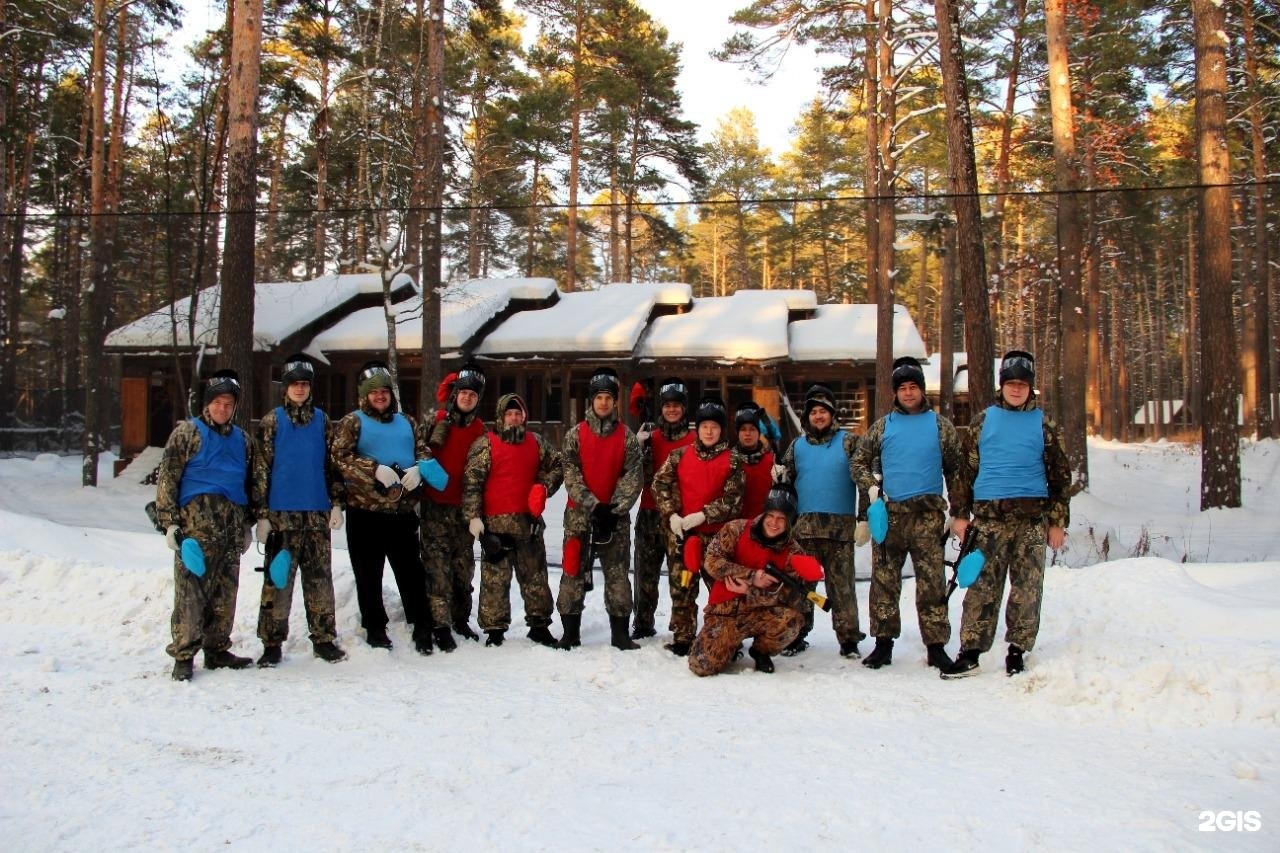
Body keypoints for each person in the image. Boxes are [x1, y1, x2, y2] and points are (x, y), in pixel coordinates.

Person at [943, 350, 1073, 679]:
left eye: (1022, 384)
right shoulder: (983, 422)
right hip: (988, 522)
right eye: (1011, 384)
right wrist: (959, 514)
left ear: (1031, 387)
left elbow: (1060, 477)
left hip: (1030, 522)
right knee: (982, 588)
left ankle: (1017, 649)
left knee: (1027, 589)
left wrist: (1057, 521)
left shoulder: (1045, 425)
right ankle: (970, 650)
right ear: (1002, 386)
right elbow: (964, 473)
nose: (1016, 389)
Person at [851, 356, 965, 671]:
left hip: (927, 516)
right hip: (890, 517)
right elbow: (858, 461)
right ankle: (883, 644)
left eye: (914, 387)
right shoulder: (882, 427)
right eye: (903, 388)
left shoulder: (940, 426)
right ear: (896, 393)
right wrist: (872, 491)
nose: (909, 393)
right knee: (885, 582)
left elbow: (956, 471)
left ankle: (936, 646)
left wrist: (959, 513)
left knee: (931, 583)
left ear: (922, 390)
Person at [155, 369, 256, 681]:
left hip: (231, 527)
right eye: (217, 403)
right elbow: (167, 479)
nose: (222, 409)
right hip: (195, 530)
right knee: (190, 593)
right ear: (207, 404)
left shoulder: (244, 441)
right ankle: (184, 654)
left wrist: (249, 522)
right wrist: (169, 524)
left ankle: (217, 649)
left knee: (225, 592)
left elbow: (251, 484)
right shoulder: (188, 433)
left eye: (228, 404)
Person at [331, 360, 434, 654]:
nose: (380, 396)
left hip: (401, 513)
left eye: (384, 391)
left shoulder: (407, 422)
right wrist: (374, 469)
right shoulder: (353, 422)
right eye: (373, 392)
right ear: (365, 395)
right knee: (368, 574)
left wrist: (419, 469)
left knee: (411, 571)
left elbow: (423, 451)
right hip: (366, 513)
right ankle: (375, 627)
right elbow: (340, 458)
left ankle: (421, 623)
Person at [251, 354, 347, 668]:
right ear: (286, 387)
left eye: (305, 384)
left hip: (316, 515)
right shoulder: (272, 421)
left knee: (320, 581)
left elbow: (331, 466)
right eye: (295, 384)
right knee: (278, 582)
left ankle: (323, 639)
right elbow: (261, 469)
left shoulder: (322, 421)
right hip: (281, 518)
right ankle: (271, 643)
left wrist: (336, 502)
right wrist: (262, 513)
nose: (300, 389)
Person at [689, 483, 823, 676]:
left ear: (789, 522)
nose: (774, 523)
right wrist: (752, 576)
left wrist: (749, 591)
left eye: (781, 519)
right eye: (771, 516)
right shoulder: (736, 529)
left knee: (792, 621)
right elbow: (712, 561)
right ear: (764, 514)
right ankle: (730, 645)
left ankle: (761, 652)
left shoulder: (793, 552)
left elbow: (790, 597)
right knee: (701, 666)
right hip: (724, 612)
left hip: (760, 614)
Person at [463, 393, 564, 647]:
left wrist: (543, 487)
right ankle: (495, 630)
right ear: (501, 417)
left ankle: (539, 626)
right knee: (495, 581)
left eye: (518, 414)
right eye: (509, 414)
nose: (514, 418)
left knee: (536, 577)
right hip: (495, 528)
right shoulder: (485, 444)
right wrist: (474, 519)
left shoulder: (536, 442)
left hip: (528, 523)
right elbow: (472, 483)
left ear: (524, 417)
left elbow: (559, 465)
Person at [775, 384, 868, 658]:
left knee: (842, 590)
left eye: (823, 411)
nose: (818, 416)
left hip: (840, 534)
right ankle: (796, 634)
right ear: (807, 417)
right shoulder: (797, 446)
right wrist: (779, 475)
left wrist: (863, 518)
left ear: (832, 414)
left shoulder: (849, 442)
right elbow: (786, 482)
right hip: (804, 532)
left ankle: (849, 638)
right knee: (801, 589)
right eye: (813, 412)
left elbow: (865, 482)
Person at [556, 368, 644, 650]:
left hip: (614, 520)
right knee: (572, 572)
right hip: (579, 517)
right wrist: (593, 506)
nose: (604, 402)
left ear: (615, 402)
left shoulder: (627, 437)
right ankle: (570, 632)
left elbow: (633, 476)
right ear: (591, 401)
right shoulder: (574, 435)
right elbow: (571, 474)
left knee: (618, 575)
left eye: (608, 397)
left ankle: (620, 634)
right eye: (599, 397)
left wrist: (613, 509)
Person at [652, 395, 745, 656]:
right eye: (704, 426)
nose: (709, 431)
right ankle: (683, 636)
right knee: (683, 587)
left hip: (717, 542)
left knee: (722, 590)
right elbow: (659, 484)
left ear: (721, 430)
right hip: (685, 539)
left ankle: (728, 638)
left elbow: (733, 501)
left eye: (714, 426)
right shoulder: (679, 455)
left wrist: (705, 515)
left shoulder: (732, 460)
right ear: (698, 428)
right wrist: (671, 514)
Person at [419, 364, 488, 648]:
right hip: (435, 507)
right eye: (463, 393)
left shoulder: (481, 430)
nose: (467, 398)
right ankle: (441, 624)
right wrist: (426, 465)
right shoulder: (434, 420)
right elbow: (417, 446)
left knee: (463, 570)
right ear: (454, 394)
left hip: (465, 511)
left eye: (473, 394)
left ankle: (460, 619)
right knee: (437, 570)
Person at [630, 377, 695, 640]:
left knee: (681, 577)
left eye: (676, 405)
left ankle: (682, 626)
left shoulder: (694, 439)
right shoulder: (650, 437)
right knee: (645, 573)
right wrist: (638, 447)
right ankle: (643, 623)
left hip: (679, 517)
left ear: (684, 408)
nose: (671, 410)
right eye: (667, 405)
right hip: (649, 513)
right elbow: (633, 475)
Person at [733, 401, 775, 520]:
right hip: (736, 526)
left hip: (764, 526)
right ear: (737, 433)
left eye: (752, 429)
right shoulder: (729, 461)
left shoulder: (771, 461)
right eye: (743, 429)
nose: (747, 434)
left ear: (759, 432)